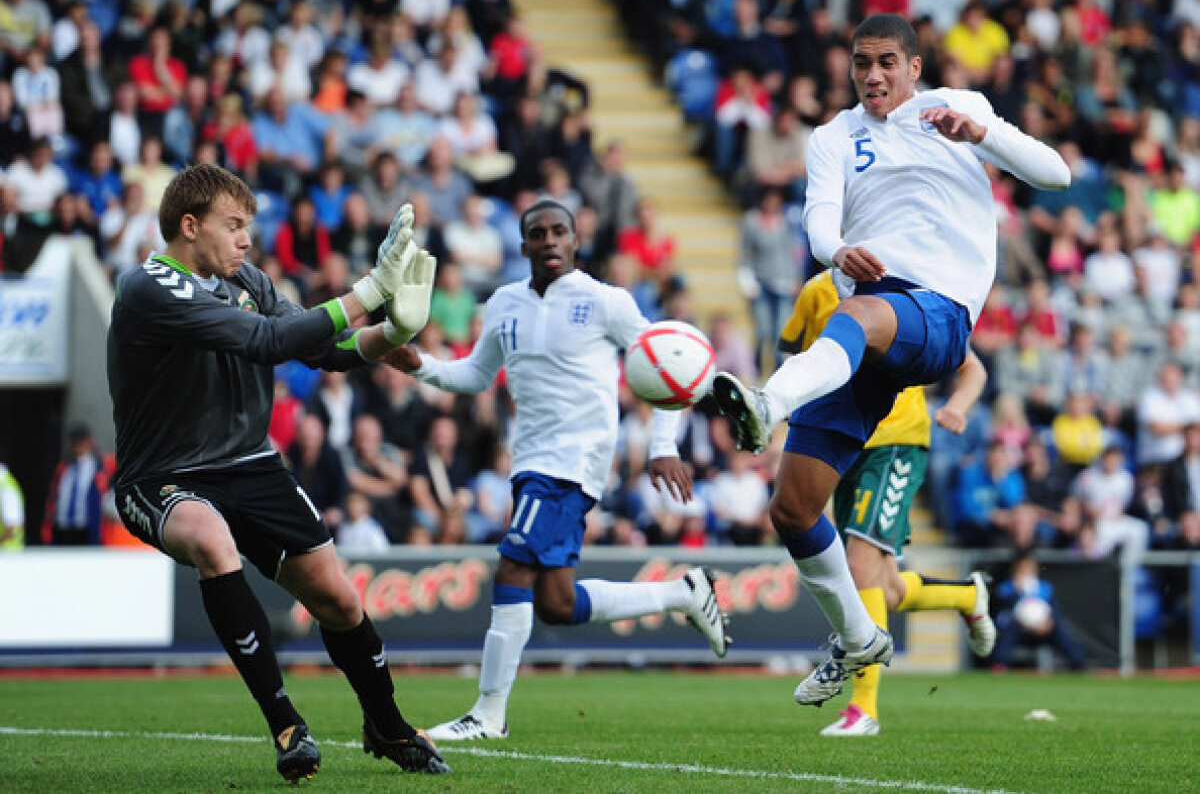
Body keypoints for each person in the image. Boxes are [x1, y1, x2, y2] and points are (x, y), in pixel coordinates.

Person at [708, 14, 1070, 707]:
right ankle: (858, 637)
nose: (872, 75)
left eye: (885, 62)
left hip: (939, 311)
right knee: (793, 508)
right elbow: (819, 217)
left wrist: (983, 135)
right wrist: (837, 250)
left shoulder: (957, 108)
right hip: (868, 328)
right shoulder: (832, 137)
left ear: (913, 66)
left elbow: (1057, 174)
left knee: (854, 317)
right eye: (860, 62)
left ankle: (768, 402)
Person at [106, 163, 449, 780]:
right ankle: (287, 725)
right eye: (234, 225)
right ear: (190, 226)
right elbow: (265, 341)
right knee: (212, 541)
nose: (247, 239)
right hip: (162, 475)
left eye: (250, 226)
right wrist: (370, 289)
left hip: (250, 465)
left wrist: (391, 330)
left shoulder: (248, 280)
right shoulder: (148, 286)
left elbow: (322, 349)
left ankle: (388, 725)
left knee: (339, 599)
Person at [387, 199, 729, 741]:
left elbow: (671, 364)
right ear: (523, 244)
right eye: (538, 233)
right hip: (530, 462)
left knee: (512, 569)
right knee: (556, 602)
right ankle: (682, 593)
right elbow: (477, 375)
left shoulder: (606, 301)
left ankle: (488, 714)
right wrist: (421, 366)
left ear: (575, 240)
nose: (549, 240)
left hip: (575, 461)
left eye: (559, 231)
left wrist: (664, 445)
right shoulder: (503, 302)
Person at [778, 268, 994, 736]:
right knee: (885, 589)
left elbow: (972, 367)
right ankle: (967, 596)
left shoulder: (907, 288)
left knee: (859, 568)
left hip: (896, 442)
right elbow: (796, 356)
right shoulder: (816, 292)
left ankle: (863, 709)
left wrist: (956, 407)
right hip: (840, 444)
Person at [42, 424, 115, 546]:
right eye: (75, 441)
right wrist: (47, 527)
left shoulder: (102, 466)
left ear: (90, 441)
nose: (79, 445)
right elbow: (53, 499)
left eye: (82, 441)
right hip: (63, 529)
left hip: (87, 529)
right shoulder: (63, 468)